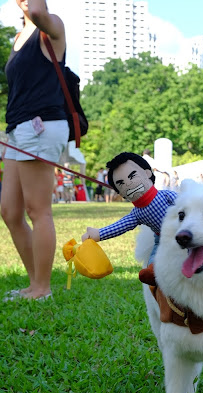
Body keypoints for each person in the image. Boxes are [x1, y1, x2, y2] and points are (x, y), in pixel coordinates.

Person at [1, 0, 69, 301]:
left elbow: (39, 12)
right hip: (17, 128)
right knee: (10, 211)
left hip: (41, 125)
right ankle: (34, 283)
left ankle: (42, 289)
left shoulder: (51, 25)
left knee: (37, 210)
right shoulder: (19, 37)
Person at [82, 152, 178, 270]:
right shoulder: (137, 214)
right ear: (121, 193)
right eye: (121, 183)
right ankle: (152, 275)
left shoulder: (166, 195)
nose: (128, 183)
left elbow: (186, 205)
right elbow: (120, 226)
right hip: (162, 240)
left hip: (183, 232)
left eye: (132, 176)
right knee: (153, 264)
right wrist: (98, 234)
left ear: (147, 173)